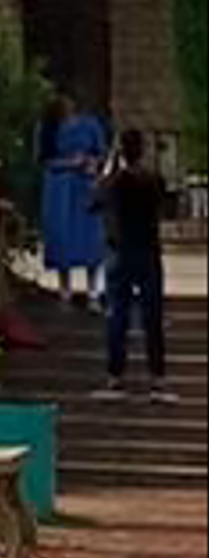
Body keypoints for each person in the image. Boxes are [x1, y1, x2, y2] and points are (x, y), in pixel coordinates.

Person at [97, 127, 174, 384]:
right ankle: (157, 374)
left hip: (119, 252)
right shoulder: (152, 179)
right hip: (148, 252)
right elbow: (165, 202)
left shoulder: (113, 181)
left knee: (118, 315)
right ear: (141, 150)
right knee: (152, 316)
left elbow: (93, 202)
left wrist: (108, 168)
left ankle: (115, 373)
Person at [38, 94, 113, 303]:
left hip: (85, 184)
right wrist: (68, 163)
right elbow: (44, 160)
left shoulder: (90, 124)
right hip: (59, 187)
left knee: (91, 236)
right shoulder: (48, 127)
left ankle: (93, 288)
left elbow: (102, 153)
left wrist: (92, 162)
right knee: (62, 235)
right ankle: (65, 287)